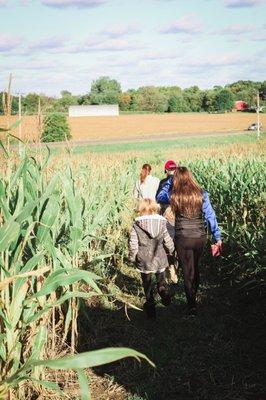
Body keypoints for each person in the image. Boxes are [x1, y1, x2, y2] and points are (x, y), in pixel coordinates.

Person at [164, 166, 222, 315]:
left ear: (176, 179)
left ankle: (191, 305)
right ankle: (194, 296)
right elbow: (210, 216)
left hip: (182, 238)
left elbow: (159, 195)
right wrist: (217, 237)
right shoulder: (201, 194)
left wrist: (170, 180)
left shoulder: (173, 195)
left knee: (186, 270)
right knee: (195, 267)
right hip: (199, 238)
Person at [129, 198, 175, 319]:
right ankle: (164, 293)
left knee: (147, 284)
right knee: (161, 281)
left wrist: (133, 258)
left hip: (144, 259)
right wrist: (171, 250)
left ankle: (151, 308)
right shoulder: (162, 223)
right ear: (155, 209)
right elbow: (167, 239)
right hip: (159, 257)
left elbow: (133, 244)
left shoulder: (136, 225)